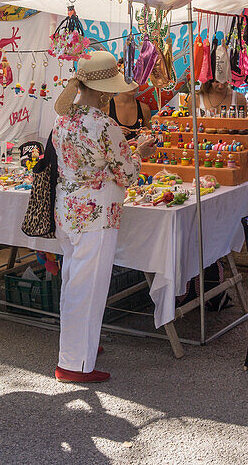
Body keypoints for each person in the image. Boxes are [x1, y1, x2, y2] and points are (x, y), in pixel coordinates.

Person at [52, 51, 155, 383]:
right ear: (104, 91)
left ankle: (80, 347)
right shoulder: (104, 124)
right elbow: (125, 174)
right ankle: (74, 363)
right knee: (89, 286)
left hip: (68, 208)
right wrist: (139, 153)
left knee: (74, 281)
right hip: (96, 213)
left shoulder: (63, 119)